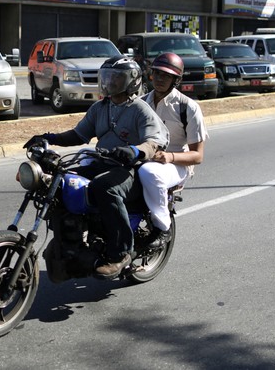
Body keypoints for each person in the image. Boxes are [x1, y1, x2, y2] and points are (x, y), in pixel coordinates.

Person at [23, 55, 169, 279]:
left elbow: (153, 142)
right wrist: (47, 137)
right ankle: (69, 241)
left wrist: (135, 151)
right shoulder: (101, 107)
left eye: (116, 79)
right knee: (62, 181)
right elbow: (78, 134)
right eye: (107, 78)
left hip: (128, 168)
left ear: (132, 82)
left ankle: (120, 253)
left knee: (103, 188)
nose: (110, 84)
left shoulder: (141, 109)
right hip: (101, 160)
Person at [138, 52, 208, 249]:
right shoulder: (141, 103)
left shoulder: (188, 107)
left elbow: (198, 155)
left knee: (149, 172)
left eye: (166, 75)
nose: (160, 79)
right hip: (145, 157)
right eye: (157, 74)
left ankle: (163, 227)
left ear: (175, 80)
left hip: (177, 164)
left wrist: (169, 157)